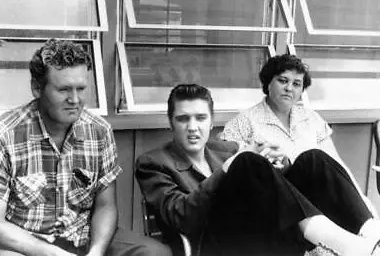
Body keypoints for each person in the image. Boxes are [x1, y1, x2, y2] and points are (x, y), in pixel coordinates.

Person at [136, 83, 380, 256]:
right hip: (215, 246)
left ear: (211, 121)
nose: (192, 127)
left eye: (200, 118)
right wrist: (233, 166)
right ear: (170, 122)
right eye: (183, 119)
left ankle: (372, 235)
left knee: (313, 159)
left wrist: (280, 164)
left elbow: (272, 187)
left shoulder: (224, 148)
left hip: (263, 233)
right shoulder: (153, 163)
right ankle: (342, 244)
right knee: (245, 162)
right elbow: (180, 216)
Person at [0, 39, 172, 256]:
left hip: (83, 238)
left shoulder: (99, 131)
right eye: (63, 90)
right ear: (36, 88)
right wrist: (53, 254)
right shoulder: (1, 136)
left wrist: (96, 251)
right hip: (27, 246)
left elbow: (106, 206)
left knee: (155, 253)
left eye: (81, 89)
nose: (75, 99)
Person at [219, 54, 376, 214]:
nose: (289, 88)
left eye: (296, 84)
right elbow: (231, 171)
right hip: (276, 202)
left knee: (317, 159)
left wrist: (362, 200)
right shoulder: (244, 121)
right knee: (313, 158)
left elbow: (337, 166)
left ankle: (369, 227)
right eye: (283, 80)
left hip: (319, 200)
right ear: (268, 83)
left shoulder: (311, 118)